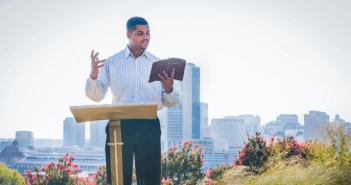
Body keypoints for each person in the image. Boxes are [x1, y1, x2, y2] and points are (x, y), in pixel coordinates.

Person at [85, 16, 181, 185]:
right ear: (128, 35)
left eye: (148, 33)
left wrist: (168, 89)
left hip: (149, 125)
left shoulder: (158, 63)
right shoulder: (112, 62)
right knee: (118, 179)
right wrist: (93, 77)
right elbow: (97, 96)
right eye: (140, 33)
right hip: (120, 126)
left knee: (150, 179)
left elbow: (172, 102)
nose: (146, 37)